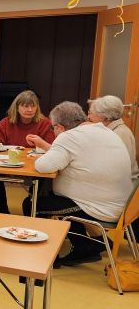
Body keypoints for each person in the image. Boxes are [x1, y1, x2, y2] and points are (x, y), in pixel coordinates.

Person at [25, 101, 133, 266]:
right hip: (122, 205)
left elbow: (43, 166)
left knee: (32, 203)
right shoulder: (102, 129)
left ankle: (43, 259)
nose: (53, 132)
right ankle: (87, 246)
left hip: (100, 207)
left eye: (53, 128)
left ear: (60, 127)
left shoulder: (69, 137)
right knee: (58, 197)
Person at [0, 90, 56, 213]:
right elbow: (0, 149)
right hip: (8, 163)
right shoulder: (5, 123)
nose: (30, 109)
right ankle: (0, 209)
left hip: (35, 165)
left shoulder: (45, 123)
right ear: (17, 107)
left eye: (33, 106)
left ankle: (32, 207)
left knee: (45, 176)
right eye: (25, 106)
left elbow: (50, 149)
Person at [88, 95, 138, 182]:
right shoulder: (111, 130)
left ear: (104, 117)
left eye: (91, 113)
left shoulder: (119, 134)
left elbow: (114, 169)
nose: (88, 117)